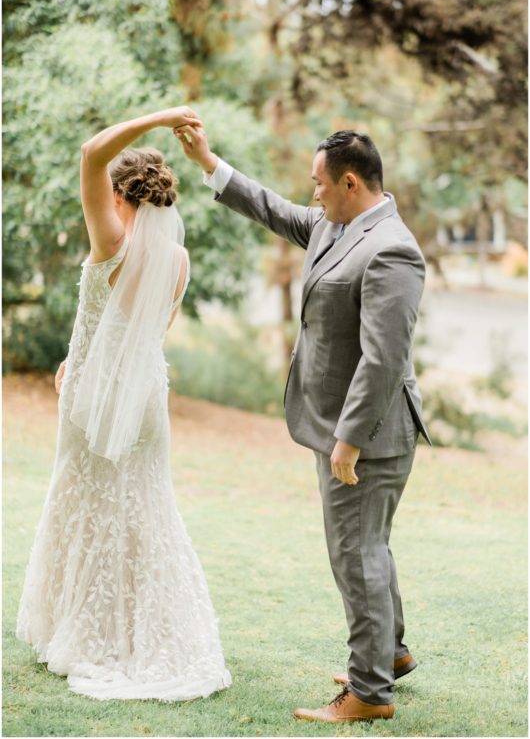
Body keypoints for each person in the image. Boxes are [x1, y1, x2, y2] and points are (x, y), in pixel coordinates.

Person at [175, 122, 431, 723]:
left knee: (356, 552)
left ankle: (368, 694)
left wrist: (348, 441)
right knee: (370, 546)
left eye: (319, 183)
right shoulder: (334, 224)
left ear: (349, 181)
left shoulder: (392, 248)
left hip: (366, 435)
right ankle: (387, 654)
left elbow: (383, 358)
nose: (311, 194)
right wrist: (209, 161)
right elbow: (273, 209)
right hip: (340, 426)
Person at [16, 107, 231, 702]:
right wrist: (77, 351)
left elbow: (90, 152)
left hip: (91, 402)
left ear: (118, 195)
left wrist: (161, 116)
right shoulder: (178, 261)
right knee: (144, 512)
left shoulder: (110, 238)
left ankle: (89, 632)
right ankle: (150, 631)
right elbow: (145, 334)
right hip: (144, 406)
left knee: (87, 503)